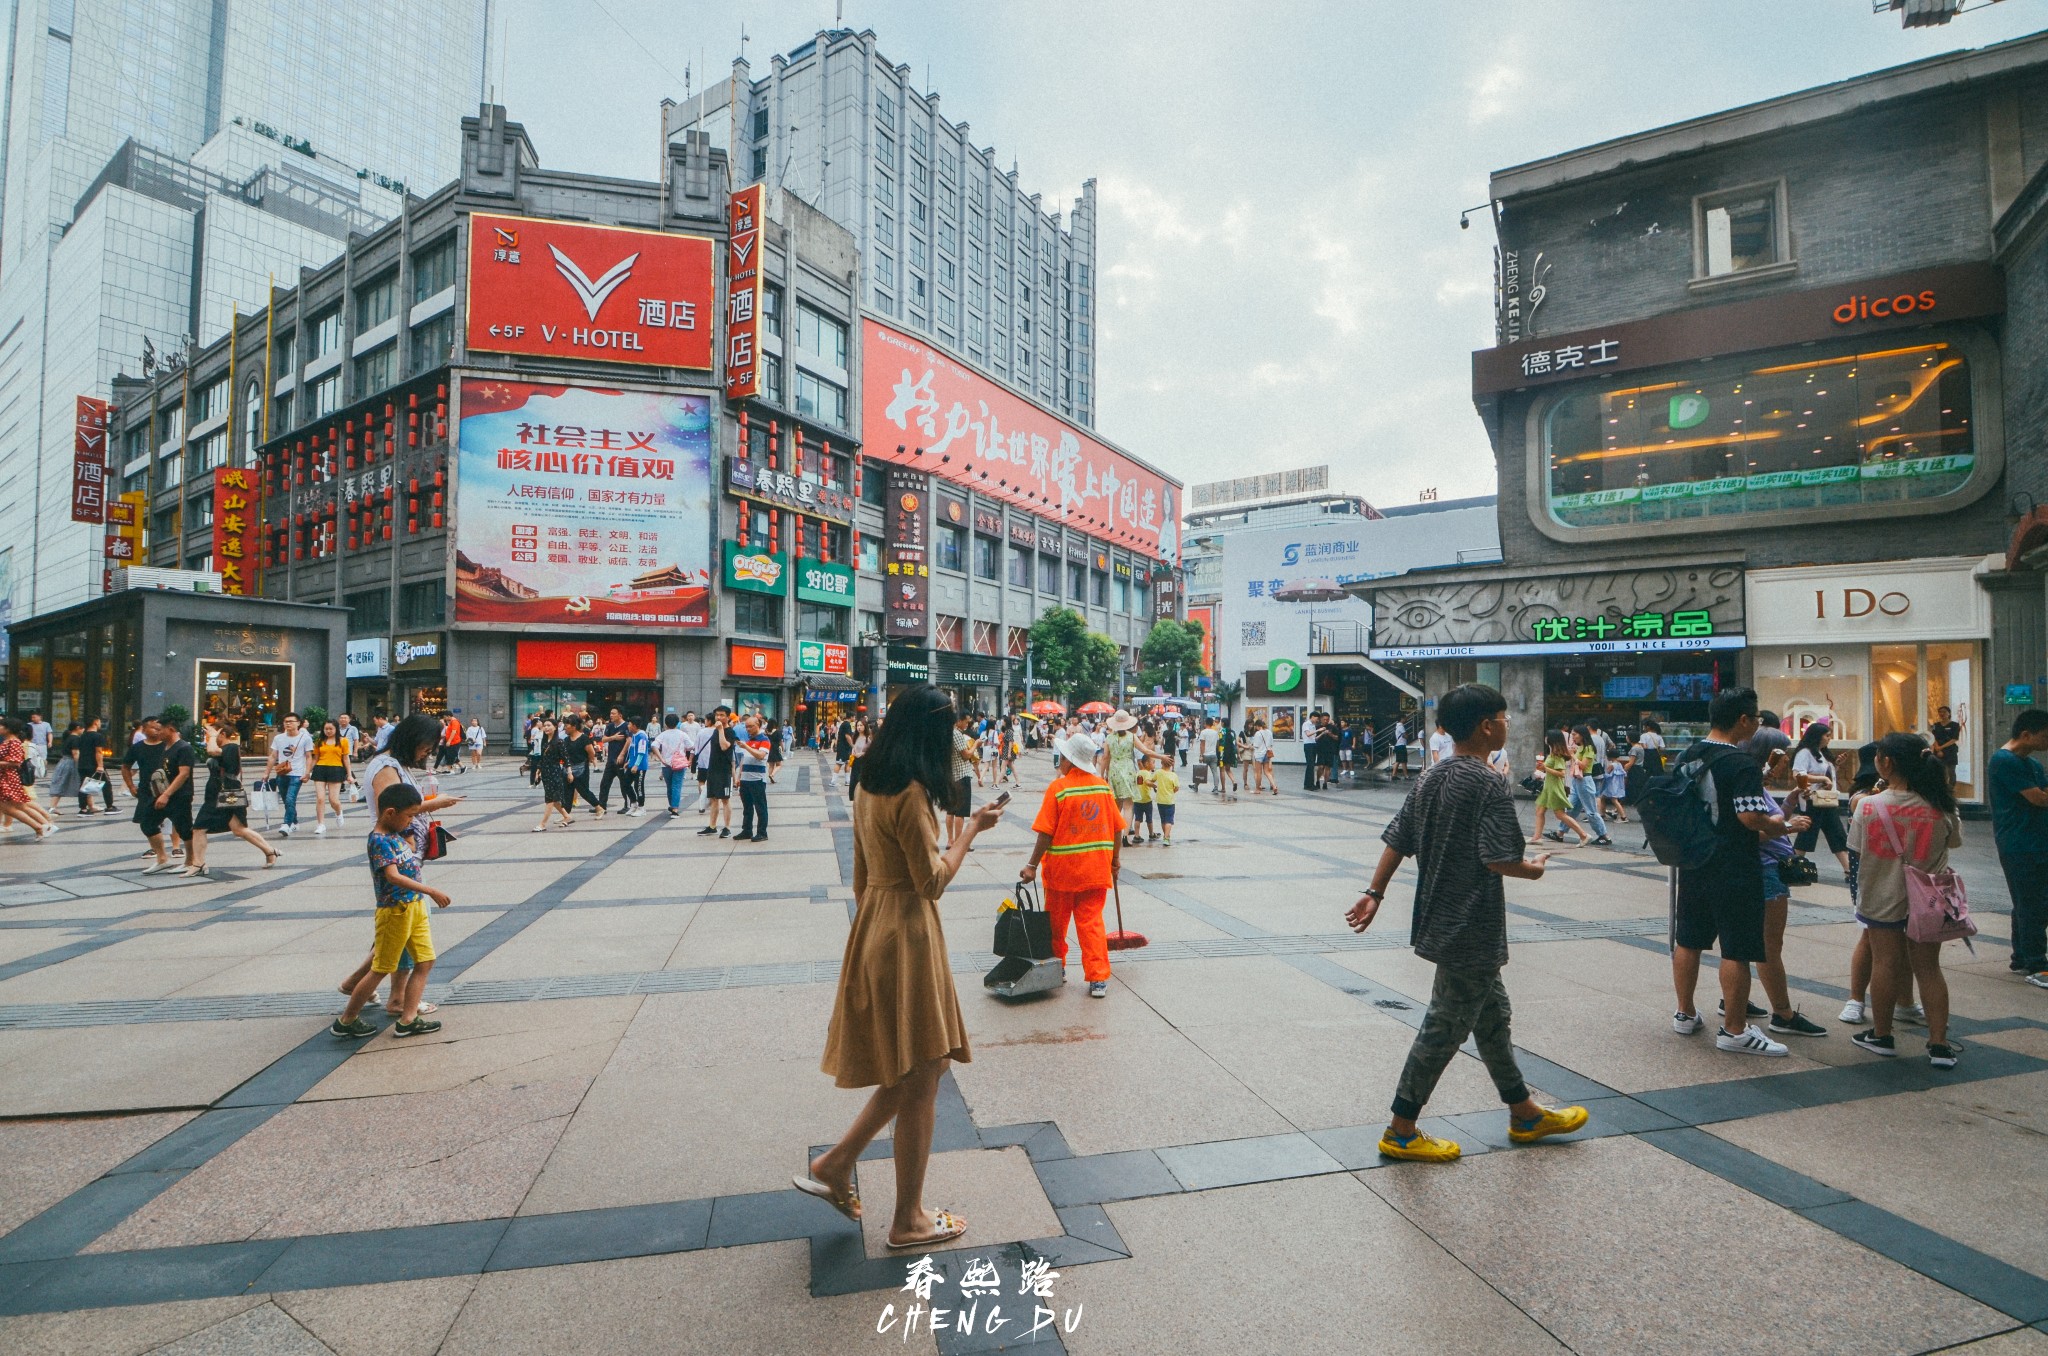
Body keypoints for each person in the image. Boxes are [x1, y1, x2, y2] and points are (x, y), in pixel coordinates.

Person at [1345, 684, 1588, 1163]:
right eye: (1503, 717)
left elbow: (1398, 837)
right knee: (1444, 1027)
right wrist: (1532, 869)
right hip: (1470, 926)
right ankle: (1401, 1129)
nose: (1507, 724)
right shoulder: (1488, 782)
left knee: (1492, 1019)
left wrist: (1375, 892)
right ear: (1485, 727)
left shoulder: (1431, 777)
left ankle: (1525, 1113)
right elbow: (1500, 858)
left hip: (1439, 916)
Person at [800, 684, 1006, 1248]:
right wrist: (969, 831)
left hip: (874, 924)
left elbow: (863, 874)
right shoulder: (912, 793)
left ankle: (844, 1168)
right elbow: (931, 881)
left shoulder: (867, 780)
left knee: (920, 1069)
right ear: (931, 733)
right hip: (910, 932)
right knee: (923, 1069)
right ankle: (903, 1215)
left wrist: (869, 932)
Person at [1670, 687, 1804, 1057]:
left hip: (1694, 861)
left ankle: (1685, 1013)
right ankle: (1734, 1030)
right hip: (1734, 865)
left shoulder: (1688, 755)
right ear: (1743, 720)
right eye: (1756, 718)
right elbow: (1749, 817)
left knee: (1689, 939)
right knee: (1737, 947)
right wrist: (1779, 822)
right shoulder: (1740, 764)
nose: (1758, 725)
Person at [1846, 733, 1963, 1067]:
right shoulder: (1941, 807)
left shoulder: (1869, 805)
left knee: (1885, 963)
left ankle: (1882, 1035)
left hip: (1882, 896)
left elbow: (1856, 847)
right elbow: (1953, 843)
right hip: (1930, 899)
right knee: (1929, 968)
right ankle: (1939, 1044)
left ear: (1886, 763)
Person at [332, 783, 449, 1040]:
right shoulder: (380, 841)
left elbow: (408, 845)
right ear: (390, 813)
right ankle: (346, 1020)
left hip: (414, 906)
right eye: (408, 815)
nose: (410, 820)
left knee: (425, 961)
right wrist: (430, 890)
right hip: (395, 910)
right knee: (381, 967)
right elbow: (393, 877)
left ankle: (408, 1020)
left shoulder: (395, 834)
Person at [1019, 728, 1122, 997]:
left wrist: (1031, 865)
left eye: (1062, 757)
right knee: (1091, 925)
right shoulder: (1102, 788)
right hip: (1096, 871)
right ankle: (1098, 979)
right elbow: (1118, 829)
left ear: (1070, 761)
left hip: (1062, 873)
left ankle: (1057, 969)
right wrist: (1115, 862)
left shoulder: (1059, 789)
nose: (1059, 761)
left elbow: (1045, 832)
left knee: (1056, 924)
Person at [1749, 749, 1827, 1039]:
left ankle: (1735, 997)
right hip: (1766, 870)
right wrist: (1789, 827)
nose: (1781, 765)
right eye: (1777, 759)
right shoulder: (1747, 790)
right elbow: (1746, 833)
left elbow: (1771, 820)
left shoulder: (1755, 788)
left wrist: (1790, 803)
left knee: (1753, 940)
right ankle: (1783, 1014)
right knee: (1770, 946)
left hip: (1770, 869)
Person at [1989, 710, 2048, 990]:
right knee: (2032, 902)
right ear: (2026, 734)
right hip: (2018, 843)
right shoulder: (2004, 760)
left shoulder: (2032, 763)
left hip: (2035, 841)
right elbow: (2038, 798)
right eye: (2045, 735)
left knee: (2028, 900)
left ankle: (2022, 956)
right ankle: (2037, 962)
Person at [185, 722, 280, 875]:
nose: (208, 737)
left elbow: (212, 750)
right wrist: (212, 736)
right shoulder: (225, 748)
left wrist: (213, 737)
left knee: (199, 828)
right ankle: (270, 851)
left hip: (226, 794)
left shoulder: (230, 748)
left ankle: (198, 864)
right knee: (238, 829)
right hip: (218, 794)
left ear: (222, 734)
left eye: (211, 734)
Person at [1791, 722, 1851, 879]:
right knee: (1807, 833)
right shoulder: (1804, 753)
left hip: (1826, 800)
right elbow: (1798, 775)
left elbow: (1827, 776)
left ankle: (1848, 869)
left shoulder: (1822, 753)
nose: (1829, 739)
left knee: (1836, 832)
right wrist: (1822, 778)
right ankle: (1793, 864)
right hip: (1812, 799)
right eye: (1827, 735)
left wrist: (1835, 765)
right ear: (1817, 736)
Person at [1531, 730, 1590, 847]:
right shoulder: (1553, 753)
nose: (1545, 738)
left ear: (1551, 739)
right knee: (1540, 811)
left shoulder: (1557, 755)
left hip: (1553, 788)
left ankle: (1583, 835)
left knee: (1560, 814)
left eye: (1547, 736)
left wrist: (1545, 768)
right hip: (1548, 788)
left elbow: (1561, 773)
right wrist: (1542, 769)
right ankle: (1536, 837)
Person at [0, 717, 54, 839]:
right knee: (19, 806)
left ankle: (40, 826)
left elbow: (15, 762)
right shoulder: (8, 742)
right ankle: (45, 825)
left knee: (10, 809)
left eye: (1, 726)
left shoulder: (13, 742)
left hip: (7, 779)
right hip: (6, 778)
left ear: (8, 729)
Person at [267, 712, 313, 837]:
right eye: (286, 721)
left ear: (298, 723)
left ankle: (286, 824)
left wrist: (307, 773)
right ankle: (295, 821)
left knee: (290, 798)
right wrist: (266, 773)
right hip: (282, 773)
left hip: (297, 774)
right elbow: (273, 756)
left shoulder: (305, 738)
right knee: (287, 801)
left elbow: (309, 757)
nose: (288, 723)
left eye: (291, 721)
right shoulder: (278, 738)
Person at [1568, 725, 1614, 847]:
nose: (1573, 737)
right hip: (1577, 780)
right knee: (1570, 807)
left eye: (1574, 734)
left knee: (1591, 811)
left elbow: (1583, 765)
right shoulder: (1580, 747)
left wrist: (1572, 755)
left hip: (1585, 780)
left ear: (1582, 735)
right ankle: (1560, 831)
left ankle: (1604, 835)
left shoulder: (1588, 748)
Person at [1100, 710, 1141, 845]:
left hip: (1114, 771)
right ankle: (1126, 836)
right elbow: (1145, 751)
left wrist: (1102, 774)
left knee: (1116, 805)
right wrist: (1161, 757)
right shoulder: (1131, 736)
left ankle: (1113, 834)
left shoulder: (1109, 738)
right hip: (1128, 770)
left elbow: (1105, 757)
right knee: (1128, 805)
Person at [696, 707, 736, 837]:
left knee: (725, 799)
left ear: (728, 717)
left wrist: (720, 730)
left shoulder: (730, 732)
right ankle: (712, 826)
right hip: (712, 769)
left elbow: (725, 747)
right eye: (717, 715)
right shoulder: (714, 731)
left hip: (724, 770)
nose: (718, 718)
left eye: (722, 715)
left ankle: (727, 827)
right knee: (713, 799)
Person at [529, 718, 573, 832]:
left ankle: (542, 824)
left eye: (549, 725)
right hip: (545, 773)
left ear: (555, 727)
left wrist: (569, 773)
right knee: (554, 799)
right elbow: (542, 758)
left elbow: (566, 759)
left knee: (550, 800)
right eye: (544, 725)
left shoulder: (559, 742)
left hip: (555, 773)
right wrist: (538, 771)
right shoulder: (544, 741)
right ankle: (567, 816)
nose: (546, 728)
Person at [733, 713, 772, 842]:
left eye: (750, 726)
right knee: (747, 807)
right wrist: (739, 777)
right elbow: (744, 761)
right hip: (745, 779)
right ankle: (747, 830)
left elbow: (760, 755)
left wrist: (746, 747)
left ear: (758, 725)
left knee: (760, 807)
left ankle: (762, 832)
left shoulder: (764, 740)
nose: (748, 729)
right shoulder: (750, 740)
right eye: (746, 727)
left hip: (757, 779)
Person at [307, 720, 351, 834]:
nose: (328, 731)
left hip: (336, 769)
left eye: (331, 729)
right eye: (326, 729)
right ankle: (321, 824)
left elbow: (346, 759)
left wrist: (349, 775)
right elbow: (315, 758)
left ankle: (338, 812)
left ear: (336, 729)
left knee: (333, 800)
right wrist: (307, 772)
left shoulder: (343, 741)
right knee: (320, 798)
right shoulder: (319, 741)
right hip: (320, 769)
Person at [946, 712, 979, 848]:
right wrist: (976, 744)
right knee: (960, 812)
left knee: (950, 810)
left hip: (951, 776)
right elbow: (966, 755)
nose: (967, 725)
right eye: (966, 722)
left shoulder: (946, 733)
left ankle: (950, 841)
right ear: (958, 721)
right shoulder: (957, 734)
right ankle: (959, 843)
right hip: (961, 775)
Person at [561, 715, 604, 816]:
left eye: (567, 725)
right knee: (567, 792)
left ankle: (599, 808)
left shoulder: (583, 738)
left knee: (583, 790)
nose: (565, 728)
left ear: (574, 726)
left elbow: (592, 753)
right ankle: (566, 815)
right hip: (569, 769)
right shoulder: (566, 740)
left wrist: (586, 762)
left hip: (581, 769)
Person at [596, 708, 630, 810]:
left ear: (620, 715)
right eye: (610, 713)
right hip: (610, 760)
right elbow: (603, 739)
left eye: (613, 713)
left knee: (624, 784)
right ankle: (602, 806)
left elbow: (629, 740)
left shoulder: (626, 726)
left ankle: (627, 805)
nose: (611, 715)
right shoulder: (610, 726)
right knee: (604, 783)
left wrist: (622, 754)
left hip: (621, 760)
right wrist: (613, 737)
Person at [620, 716, 650, 815]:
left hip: (640, 766)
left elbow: (641, 752)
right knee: (625, 783)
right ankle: (634, 804)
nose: (628, 726)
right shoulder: (633, 735)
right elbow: (632, 750)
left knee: (639, 786)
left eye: (629, 724)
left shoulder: (642, 736)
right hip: (631, 765)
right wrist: (628, 762)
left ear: (634, 725)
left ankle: (641, 808)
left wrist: (636, 765)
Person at [1928, 705, 1962, 786]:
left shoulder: (1955, 725)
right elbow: (1933, 737)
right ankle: (1941, 788)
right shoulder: (1936, 725)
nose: (1942, 713)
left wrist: (1941, 747)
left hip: (1950, 750)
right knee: (1940, 771)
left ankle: (1950, 789)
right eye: (1940, 712)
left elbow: (1954, 739)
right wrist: (1938, 749)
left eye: (1944, 712)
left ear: (1949, 713)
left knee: (1951, 771)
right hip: (1938, 750)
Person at [1151, 754, 1180, 846]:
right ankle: (1166, 838)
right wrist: (1171, 791)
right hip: (1170, 801)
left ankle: (1166, 836)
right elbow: (1176, 788)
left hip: (1160, 801)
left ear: (1161, 762)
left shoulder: (1158, 772)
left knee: (1163, 820)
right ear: (1172, 764)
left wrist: (1154, 786)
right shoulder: (1174, 775)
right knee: (1169, 820)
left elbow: (1151, 780)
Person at [1131, 757, 1156, 843]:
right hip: (1146, 800)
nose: (1154, 765)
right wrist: (1154, 786)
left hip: (1137, 800)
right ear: (1146, 764)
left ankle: (1136, 835)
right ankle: (1151, 834)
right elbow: (1147, 782)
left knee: (1137, 818)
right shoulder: (1147, 773)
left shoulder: (1138, 773)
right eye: (1153, 762)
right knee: (1149, 818)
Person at [1315, 714, 1340, 790]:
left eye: (1327, 719)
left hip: (1330, 749)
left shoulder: (1333, 727)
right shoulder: (1317, 727)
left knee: (1328, 767)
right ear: (1321, 719)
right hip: (1321, 749)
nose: (1326, 721)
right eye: (1324, 719)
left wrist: (1330, 734)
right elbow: (1314, 738)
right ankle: (1318, 780)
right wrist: (1322, 733)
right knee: (1320, 766)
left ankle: (1325, 783)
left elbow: (1337, 738)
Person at [1216, 720, 1239, 797]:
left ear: (1223, 723)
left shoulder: (1221, 731)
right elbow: (1235, 743)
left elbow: (1218, 741)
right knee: (1228, 769)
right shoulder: (1232, 732)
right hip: (1230, 753)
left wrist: (1217, 750)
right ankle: (1234, 781)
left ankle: (1223, 788)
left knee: (1222, 770)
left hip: (1222, 752)